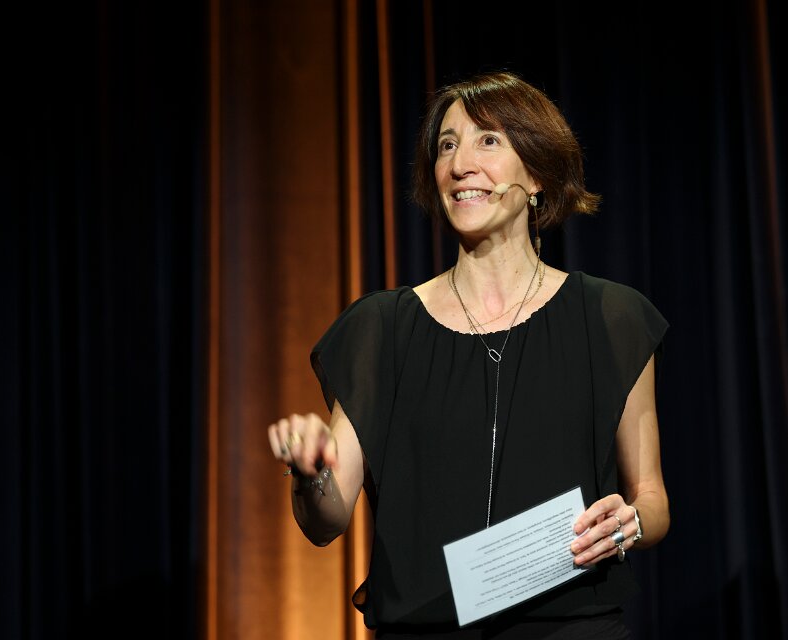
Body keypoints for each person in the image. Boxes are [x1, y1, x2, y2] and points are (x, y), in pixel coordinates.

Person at [268, 72, 669, 639]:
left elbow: (652, 499)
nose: (459, 165)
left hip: (571, 627)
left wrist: (629, 524)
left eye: (488, 141)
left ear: (537, 174)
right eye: (447, 145)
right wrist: (310, 473)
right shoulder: (381, 329)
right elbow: (325, 522)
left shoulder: (611, 317)